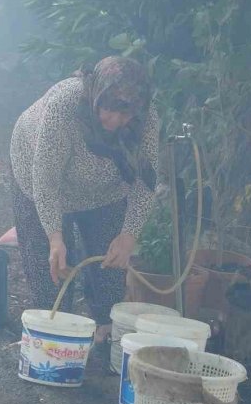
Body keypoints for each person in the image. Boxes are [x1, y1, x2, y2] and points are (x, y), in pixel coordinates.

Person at [9, 56, 158, 342]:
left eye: (124, 114)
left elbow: (146, 180)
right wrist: (54, 237)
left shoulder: (146, 117)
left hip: (105, 191)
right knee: (51, 268)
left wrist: (129, 235)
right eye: (108, 109)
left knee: (111, 264)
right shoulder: (65, 106)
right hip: (39, 177)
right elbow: (46, 179)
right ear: (96, 95)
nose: (115, 121)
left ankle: (106, 333)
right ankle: (54, 335)